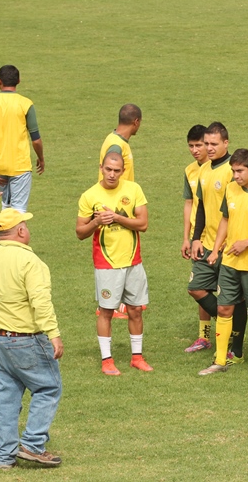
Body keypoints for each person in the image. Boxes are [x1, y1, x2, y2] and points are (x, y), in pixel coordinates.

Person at [0, 187, 63, 469]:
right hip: (24, 340)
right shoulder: (32, 262)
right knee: (48, 388)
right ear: (20, 232)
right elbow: (41, 304)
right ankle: (31, 444)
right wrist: (54, 335)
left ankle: (5, 458)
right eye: (25, 225)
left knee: (5, 397)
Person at [198, 149, 248, 378]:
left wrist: (247, 243)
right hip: (230, 263)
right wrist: (216, 250)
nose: (236, 176)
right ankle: (220, 360)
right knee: (224, 309)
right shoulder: (231, 189)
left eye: (240, 171)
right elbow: (225, 218)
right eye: (233, 171)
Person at [76, 153, 152, 375]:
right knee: (106, 312)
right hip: (106, 263)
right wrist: (96, 221)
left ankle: (136, 357)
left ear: (123, 170)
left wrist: (118, 218)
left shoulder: (134, 190)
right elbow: (80, 232)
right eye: (108, 169)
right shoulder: (89, 196)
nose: (112, 174)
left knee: (136, 309)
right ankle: (106, 360)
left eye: (116, 170)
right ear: (101, 167)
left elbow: (143, 224)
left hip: (133, 261)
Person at [187, 123, 247, 362]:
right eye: (206, 144)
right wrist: (195, 238)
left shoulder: (233, 170)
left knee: (235, 299)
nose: (209, 148)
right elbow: (201, 207)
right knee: (195, 288)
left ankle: (238, 347)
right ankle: (229, 328)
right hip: (207, 244)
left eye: (213, 144)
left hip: (230, 246)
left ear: (226, 143)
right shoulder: (204, 170)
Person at [0, 65, 44, 213]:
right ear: (19, 80)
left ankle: (4, 236)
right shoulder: (26, 104)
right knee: (18, 213)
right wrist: (41, 158)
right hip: (20, 167)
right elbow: (36, 139)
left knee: (6, 210)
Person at [180, 125, 212, 352]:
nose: (194, 150)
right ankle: (204, 336)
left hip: (219, 238)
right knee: (200, 287)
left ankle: (229, 330)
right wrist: (187, 237)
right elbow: (189, 203)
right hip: (198, 238)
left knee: (224, 289)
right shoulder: (190, 170)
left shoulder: (220, 169)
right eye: (191, 146)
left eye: (198, 145)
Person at [99, 103, 142, 182]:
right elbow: (111, 178)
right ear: (136, 122)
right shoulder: (116, 146)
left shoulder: (112, 138)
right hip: (116, 194)